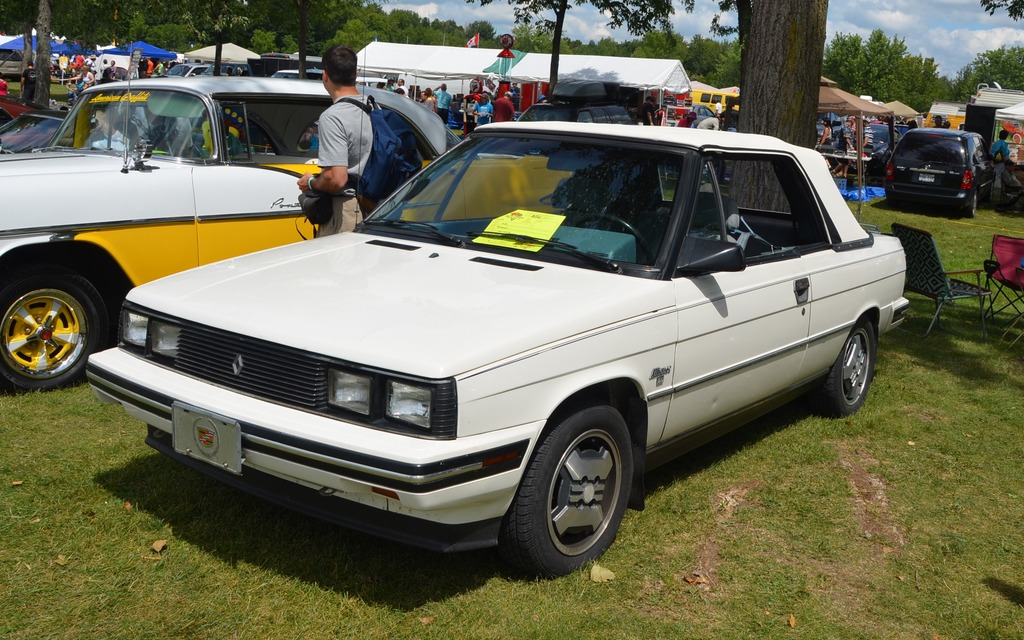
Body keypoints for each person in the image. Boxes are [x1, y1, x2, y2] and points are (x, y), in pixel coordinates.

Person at [296, 45, 372, 237]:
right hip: (374, 207)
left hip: (347, 212)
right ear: (356, 73)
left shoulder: (332, 117)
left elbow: (337, 179)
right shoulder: (373, 106)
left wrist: (311, 182)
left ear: (325, 75)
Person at [992, 129, 1021, 198]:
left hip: (995, 161)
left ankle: (994, 190)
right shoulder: (1004, 144)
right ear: (1005, 136)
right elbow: (1005, 155)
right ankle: (997, 191)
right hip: (1001, 162)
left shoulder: (995, 143)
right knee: (999, 176)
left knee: (996, 175)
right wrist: (1008, 163)